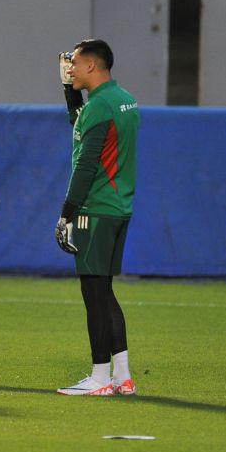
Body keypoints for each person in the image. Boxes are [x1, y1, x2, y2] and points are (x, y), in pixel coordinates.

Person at [54, 40, 139, 397]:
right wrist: (68, 92)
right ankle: (123, 376)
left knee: (94, 294)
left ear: (91, 65)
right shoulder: (123, 99)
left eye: (73, 63)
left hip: (95, 210)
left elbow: (86, 164)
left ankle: (100, 377)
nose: (69, 68)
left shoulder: (100, 107)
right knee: (105, 292)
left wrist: (66, 214)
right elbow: (83, 124)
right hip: (119, 208)